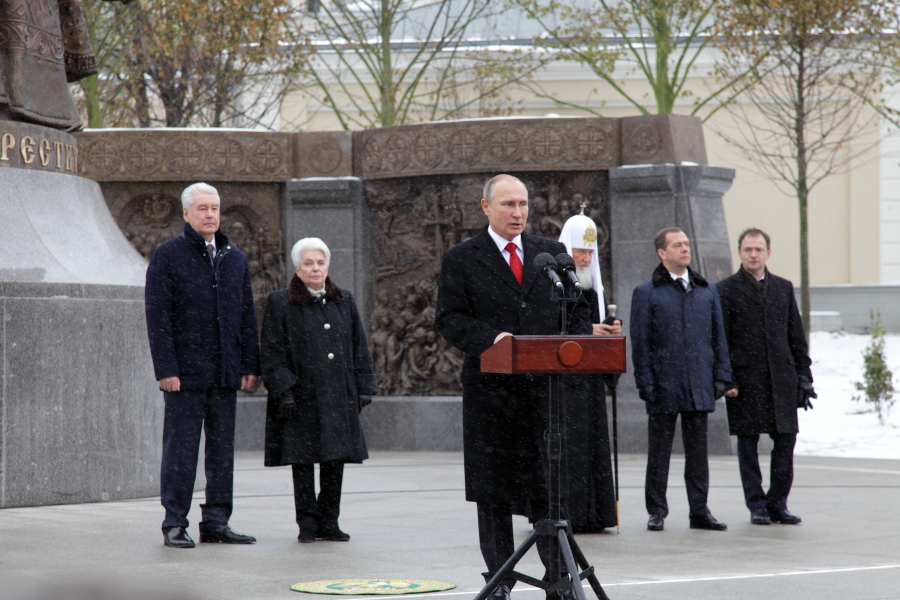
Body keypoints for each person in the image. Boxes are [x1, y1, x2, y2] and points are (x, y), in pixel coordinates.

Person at [435, 174, 591, 600]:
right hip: (492, 395)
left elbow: (577, 311)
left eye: (522, 204)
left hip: (545, 395)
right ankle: (499, 580)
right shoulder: (462, 258)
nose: (518, 213)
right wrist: (492, 339)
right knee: (494, 491)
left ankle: (558, 580)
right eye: (508, 205)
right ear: (486, 208)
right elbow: (449, 318)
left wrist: (569, 344)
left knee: (548, 487)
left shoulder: (551, 254)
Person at [145, 182, 260, 548]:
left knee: (222, 452)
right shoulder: (168, 256)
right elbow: (158, 316)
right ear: (186, 214)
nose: (210, 215)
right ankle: (175, 522)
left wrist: (248, 364)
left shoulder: (234, 257)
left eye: (215, 208)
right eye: (203, 209)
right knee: (181, 451)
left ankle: (216, 521)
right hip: (185, 375)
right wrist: (166, 369)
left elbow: (246, 315)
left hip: (225, 372)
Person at [260, 238, 377, 543]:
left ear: (327, 266)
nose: (315, 268)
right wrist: (284, 389)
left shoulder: (344, 300)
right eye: (308, 263)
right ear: (297, 269)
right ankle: (307, 524)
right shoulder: (280, 302)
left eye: (320, 262)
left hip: (338, 396)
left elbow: (358, 346)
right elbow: (271, 351)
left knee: (334, 460)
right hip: (300, 398)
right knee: (302, 462)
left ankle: (329, 521)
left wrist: (364, 387)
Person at [630, 227, 732, 532]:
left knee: (698, 454)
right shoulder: (646, 292)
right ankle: (657, 510)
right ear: (662, 253)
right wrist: (645, 380)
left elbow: (718, 338)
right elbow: (641, 342)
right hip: (663, 384)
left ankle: (699, 510)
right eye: (677, 245)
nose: (684, 249)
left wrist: (722, 377)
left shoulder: (706, 291)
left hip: (698, 382)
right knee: (659, 452)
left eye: (686, 244)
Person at [717, 228, 815, 525]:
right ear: (740, 253)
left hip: (782, 379)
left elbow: (796, 336)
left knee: (786, 442)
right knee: (748, 445)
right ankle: (756, 504)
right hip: (746, 382)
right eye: (748, 249)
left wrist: (804, 378)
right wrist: (727, 379)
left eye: (758, 249)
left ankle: (777, 502)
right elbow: (721, 339)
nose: (753, 255)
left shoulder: (784, 288)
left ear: (768, 253)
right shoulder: (726, 290)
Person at [557, 213, 619, 533]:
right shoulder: (555, 285)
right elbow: (552, 329)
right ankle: (570, 512)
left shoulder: (593, 289)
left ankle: (595, 513)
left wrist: (609, 334)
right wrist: (587, 330)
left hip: (590, 381)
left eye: (590, 253)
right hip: (564, 383)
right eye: (580, 251)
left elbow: (594, 332)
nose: (585, 258)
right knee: (568, 447)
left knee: (592, 443)